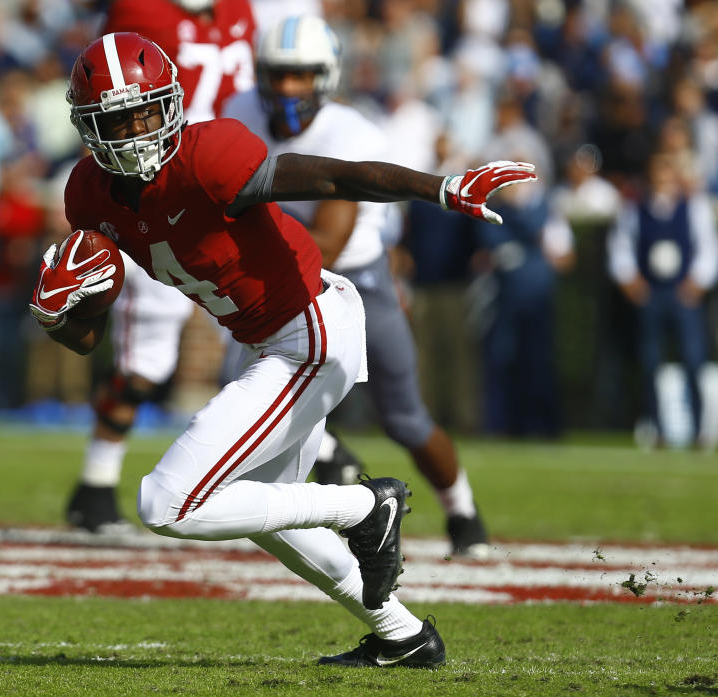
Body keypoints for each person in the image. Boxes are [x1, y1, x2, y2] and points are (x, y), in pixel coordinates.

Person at [30, 32, 535, 665]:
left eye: (143, 113)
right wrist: (57, 311)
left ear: (170, 105)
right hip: (270, 346)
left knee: (166, 502)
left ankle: (364, 505)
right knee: (266, 518)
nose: (133, 134)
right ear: (87, 127)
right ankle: (403, 635)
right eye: (116, 120)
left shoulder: (207, 154)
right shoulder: (87, 194)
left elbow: (329, 176)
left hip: (310, 331)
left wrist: (435, 187)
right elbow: (86, 339)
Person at [223, 16, 490, 557]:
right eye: (279, 74)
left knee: (406, 417)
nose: (289, 88)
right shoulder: (239, 114)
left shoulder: (353, 133)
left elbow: (326, 245)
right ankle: (326, 452)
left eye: (302, 76)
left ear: (327, 76)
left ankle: (464, 513)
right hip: (274, 278)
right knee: (240, 392)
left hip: (353, 281)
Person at [65, 0, 257, 533]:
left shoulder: (240, 10)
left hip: (222, 180)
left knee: (261, 335)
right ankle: (95, 483)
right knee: (146, 361)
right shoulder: (139, 10)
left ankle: (305, 471)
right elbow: (101, 84)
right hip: (158, 181)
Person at [607, 150, 718, 446]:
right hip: (652, 294)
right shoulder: (636, 207)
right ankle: (655, 429)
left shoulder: (691, 206)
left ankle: (699, 431)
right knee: (650, 362)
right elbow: (621, 248)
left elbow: (707, 247)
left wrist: (696, 283)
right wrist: (632, 282)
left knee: (694, 359)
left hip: (683, 294)